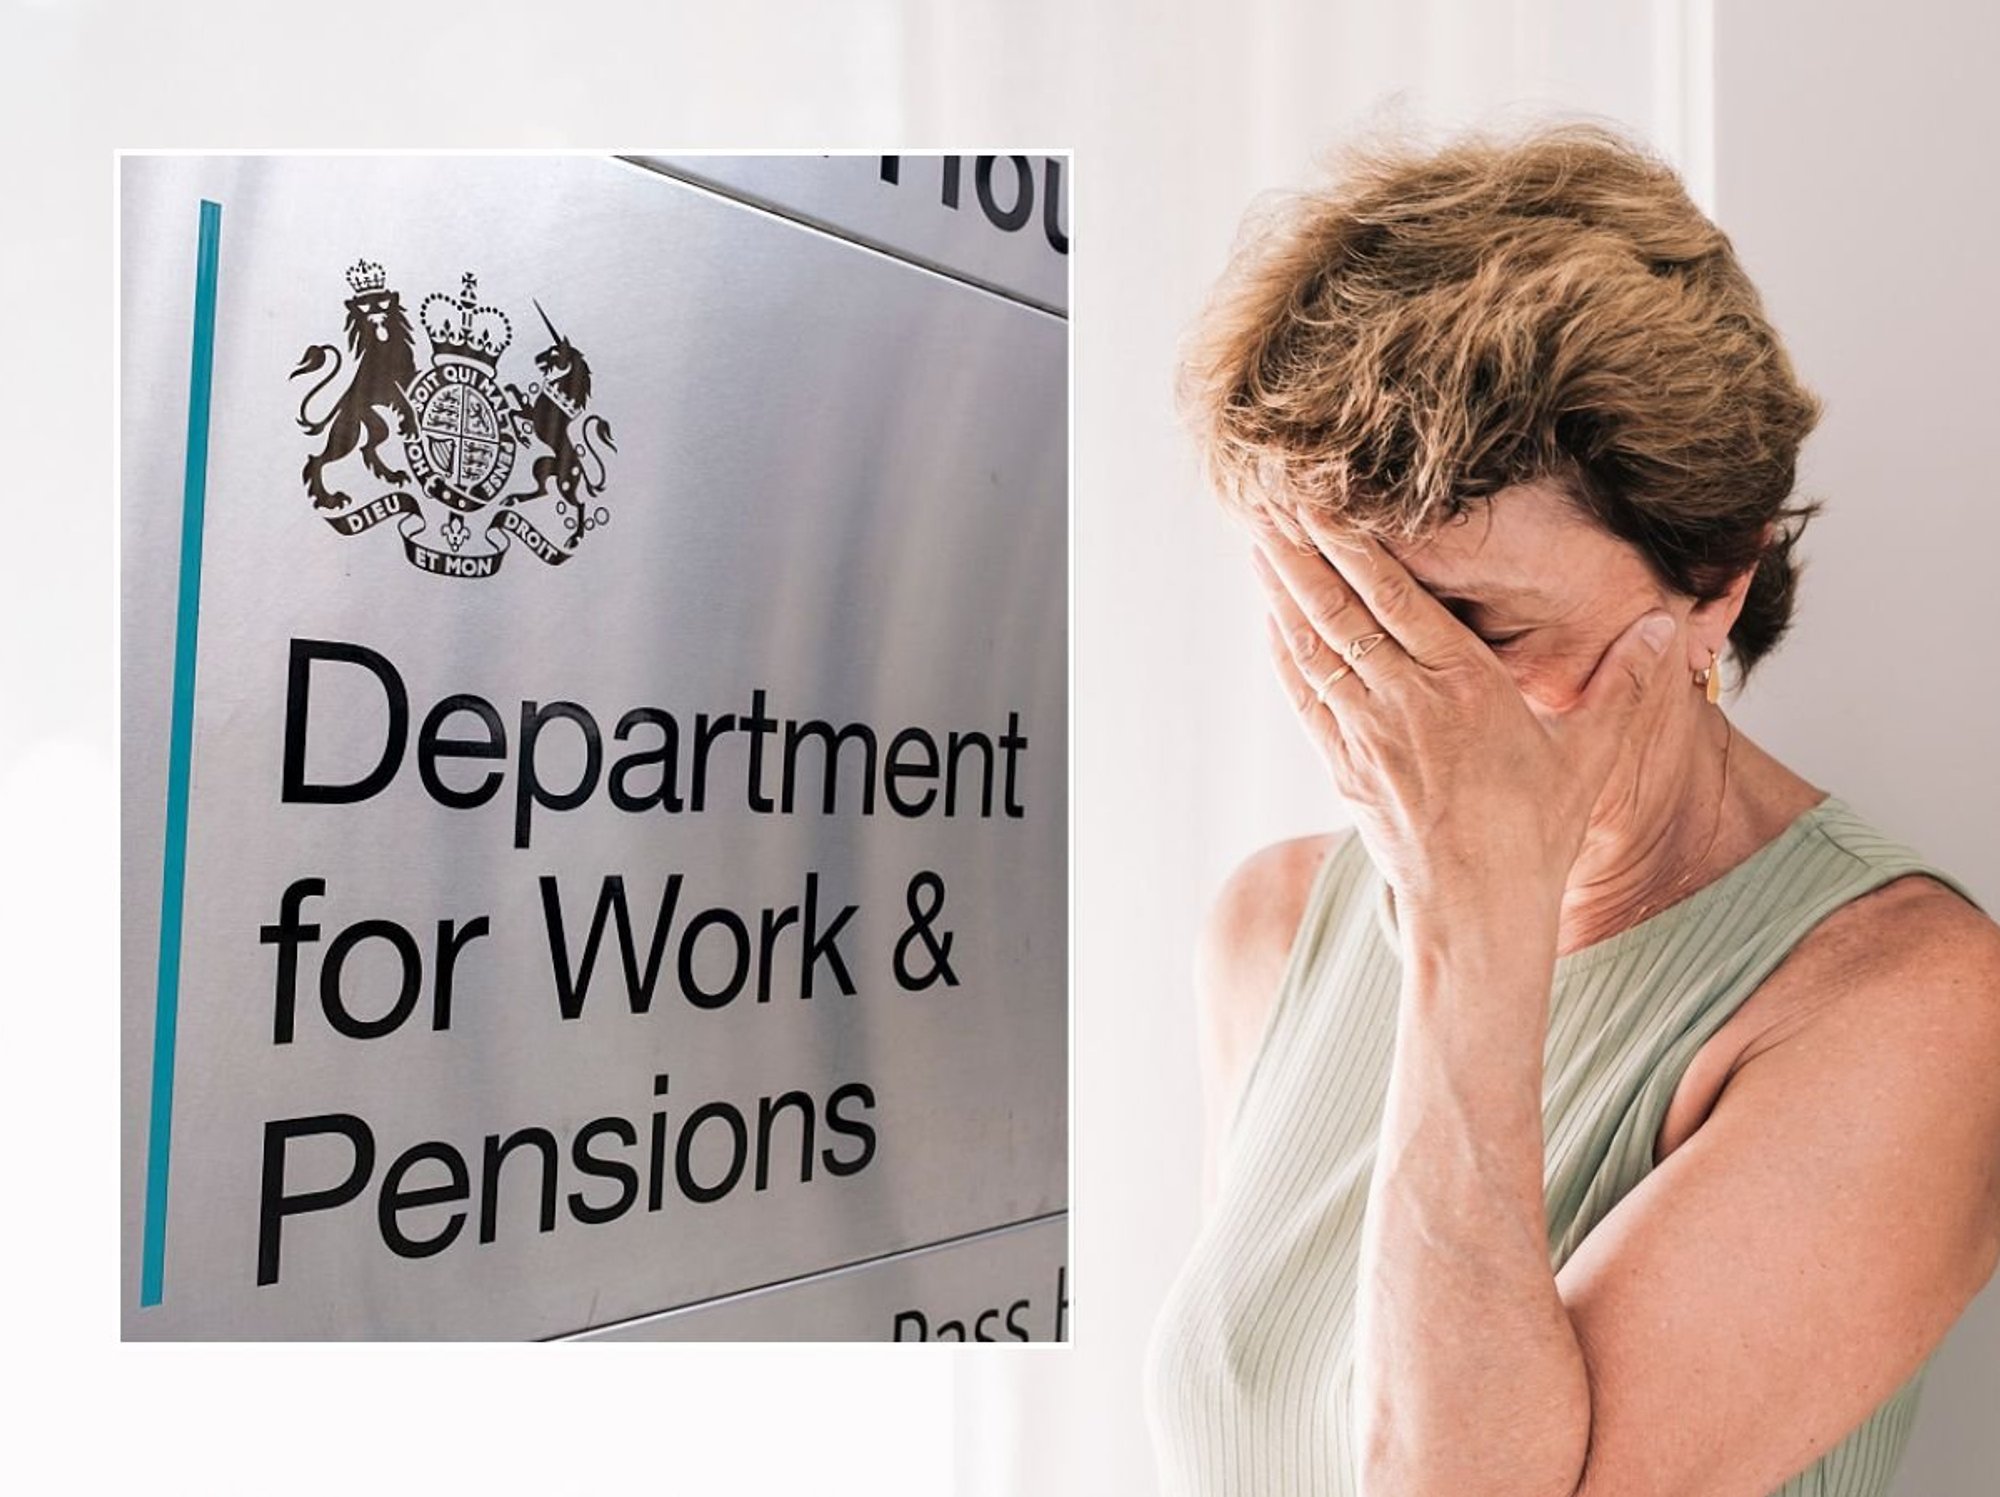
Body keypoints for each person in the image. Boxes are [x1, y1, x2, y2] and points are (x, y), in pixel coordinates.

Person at [1142, 119, 2000, 1497]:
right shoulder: (1274, 923)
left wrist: (1476, 924)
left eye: (1473, 624)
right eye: (1347, 618)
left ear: (1713, 579)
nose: (1398, 700)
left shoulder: (1910, 1009)